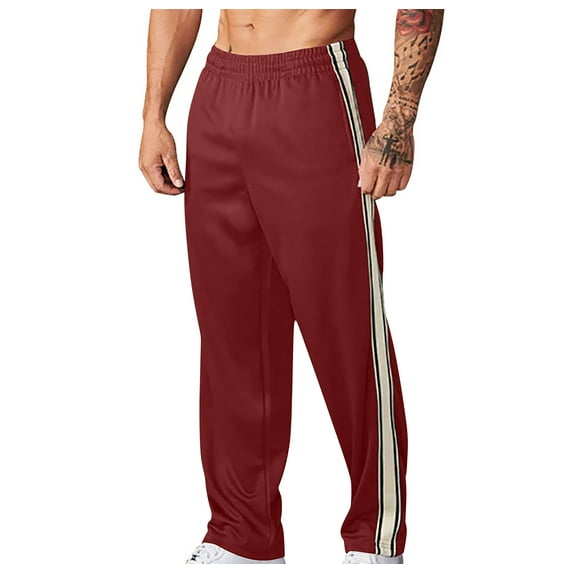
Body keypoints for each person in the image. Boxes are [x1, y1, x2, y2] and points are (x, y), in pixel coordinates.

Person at [138, 8, 444, 565]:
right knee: (232, 334)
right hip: (220, 90)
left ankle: (374, 539)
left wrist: (399, 119)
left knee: (346, 326)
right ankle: (240, 533)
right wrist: (153, 115)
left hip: (314, 84)